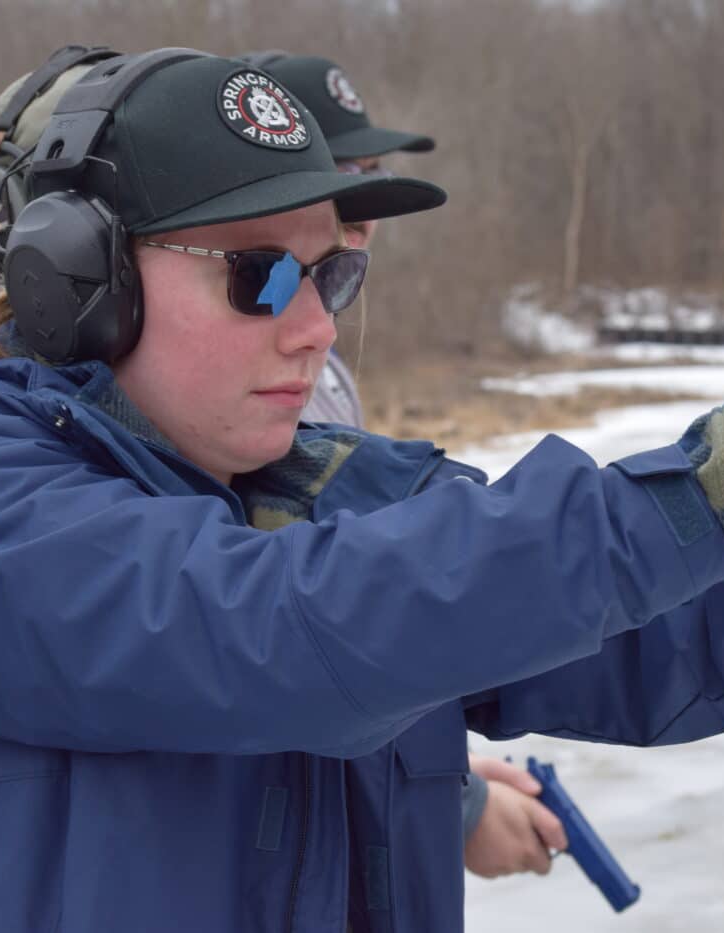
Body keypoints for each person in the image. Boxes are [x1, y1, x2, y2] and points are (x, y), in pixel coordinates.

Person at [0, 48, 724, 933]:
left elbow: (635, 652)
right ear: (77, 281)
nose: (315, 326)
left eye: (333, 275)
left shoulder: (331, 492)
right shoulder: (9, 501)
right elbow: (277, 627)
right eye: (259, 276)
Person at [241, 49, 565, 878]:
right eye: (339, 168)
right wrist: (457, 807)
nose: (363, 200)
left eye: (371, 170)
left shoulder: (314, 357)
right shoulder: (246, 373)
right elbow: (318, 628)